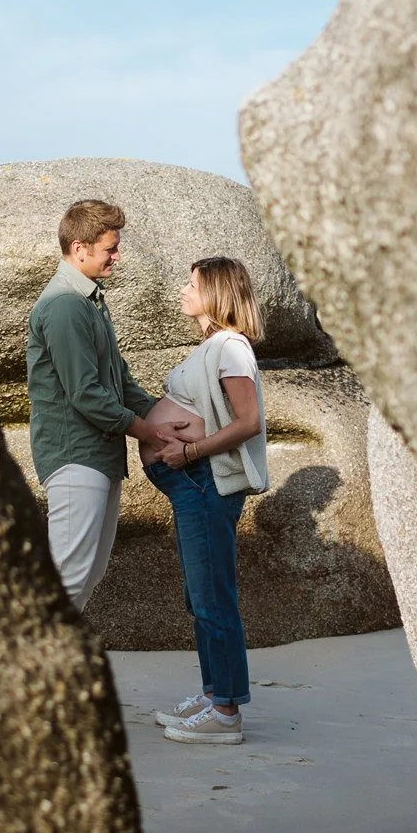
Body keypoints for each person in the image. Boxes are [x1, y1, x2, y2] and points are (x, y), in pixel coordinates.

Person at [26, 199, 188, 611]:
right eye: (109, 249)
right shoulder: (65, 305)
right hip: (73, 457)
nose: (117, 256)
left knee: (87, 574)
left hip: (99, 457)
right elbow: (85, 394)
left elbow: (120, 382)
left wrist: (166, 416)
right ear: (80, 248)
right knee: (67, 576)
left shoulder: (91, 301)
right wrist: (149, 432)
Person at [142, 256, 270, 745]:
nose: (182, 290)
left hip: (206, 480)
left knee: (214, 594)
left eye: (191, 283)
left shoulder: (232, 348)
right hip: (191, 481)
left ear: (215, 291)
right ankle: (214, 691)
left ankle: (226, 713)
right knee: (199, 595)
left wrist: (189, 450)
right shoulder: (212, 347)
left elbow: (247, 421)